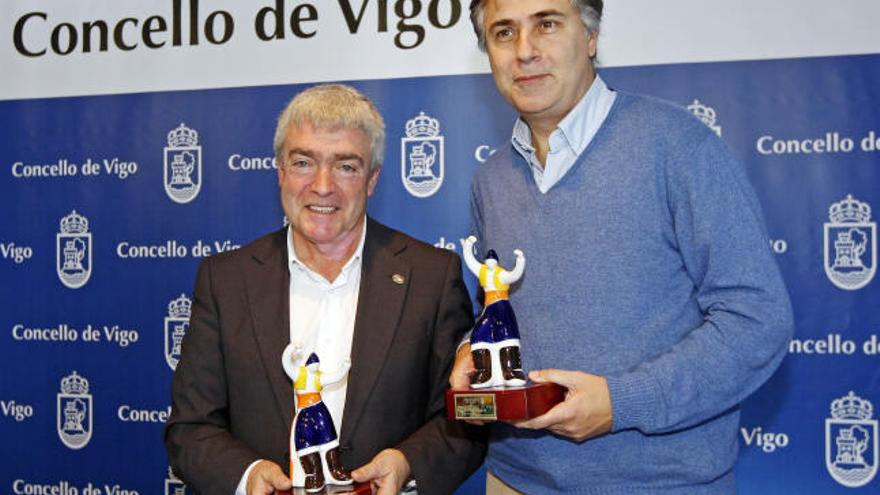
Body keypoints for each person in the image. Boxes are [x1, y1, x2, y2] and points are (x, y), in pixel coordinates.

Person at [450, 0, 794, 493]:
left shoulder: (680, 148)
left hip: (660, 485)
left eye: (547, 24)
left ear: (590, 38)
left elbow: (757, 320)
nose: (524, 51)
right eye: (504, 33)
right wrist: (470, 351)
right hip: (514, 479)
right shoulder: (492, 179)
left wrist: (623, 401)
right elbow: (493, 306)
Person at [165, 84, 485, 495]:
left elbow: (463, 417)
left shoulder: (432, 277)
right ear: (280, 171)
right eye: (303, 162)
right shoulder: (225, 280)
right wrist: (248, 478)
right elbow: (190, 428)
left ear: (372, 179)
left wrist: (408, 463)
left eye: (346, 166)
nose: (322, 186)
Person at [460, 235, 526, 388]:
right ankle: (484, 371)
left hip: (502, 308)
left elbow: (515, 274)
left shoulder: (501, 274)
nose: (490, 262)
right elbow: (470, 261)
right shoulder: (482, 271)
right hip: (489, 309)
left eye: (492, 260)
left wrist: (520, 260)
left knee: (506, 335)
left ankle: (511, 370)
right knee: (479, 335)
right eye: (488, 260)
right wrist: (468, 246)